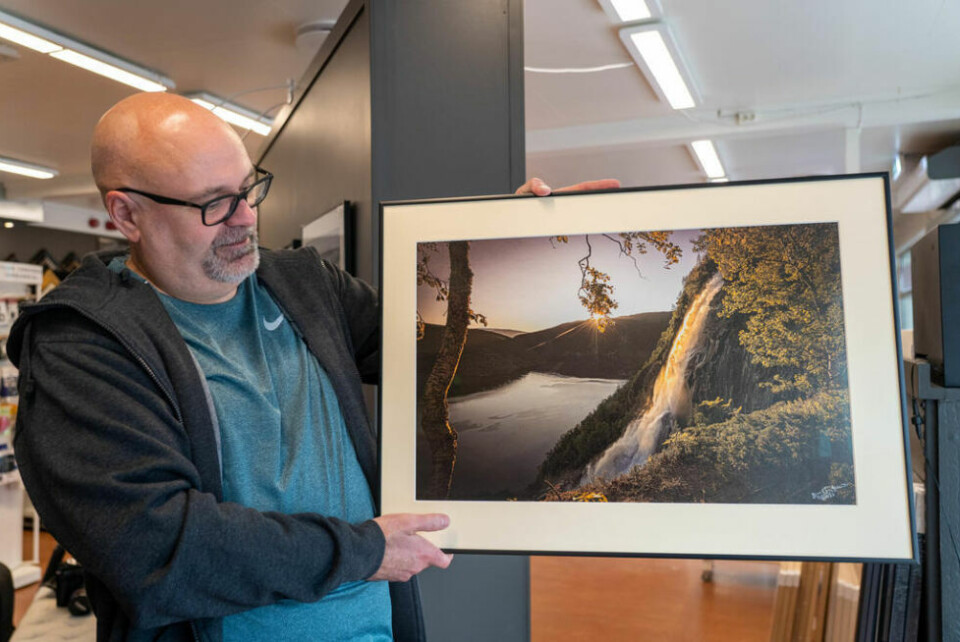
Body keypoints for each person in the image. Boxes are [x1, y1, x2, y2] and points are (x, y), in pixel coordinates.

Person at [7, 92, 618, 641]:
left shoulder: (302, 283)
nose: (247, 217)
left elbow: (433, 350)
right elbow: (159, 547)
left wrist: (507, 235)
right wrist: (362, 552)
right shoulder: (79, 349)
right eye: (215, 204)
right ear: (128, 214)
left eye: (248, 188)